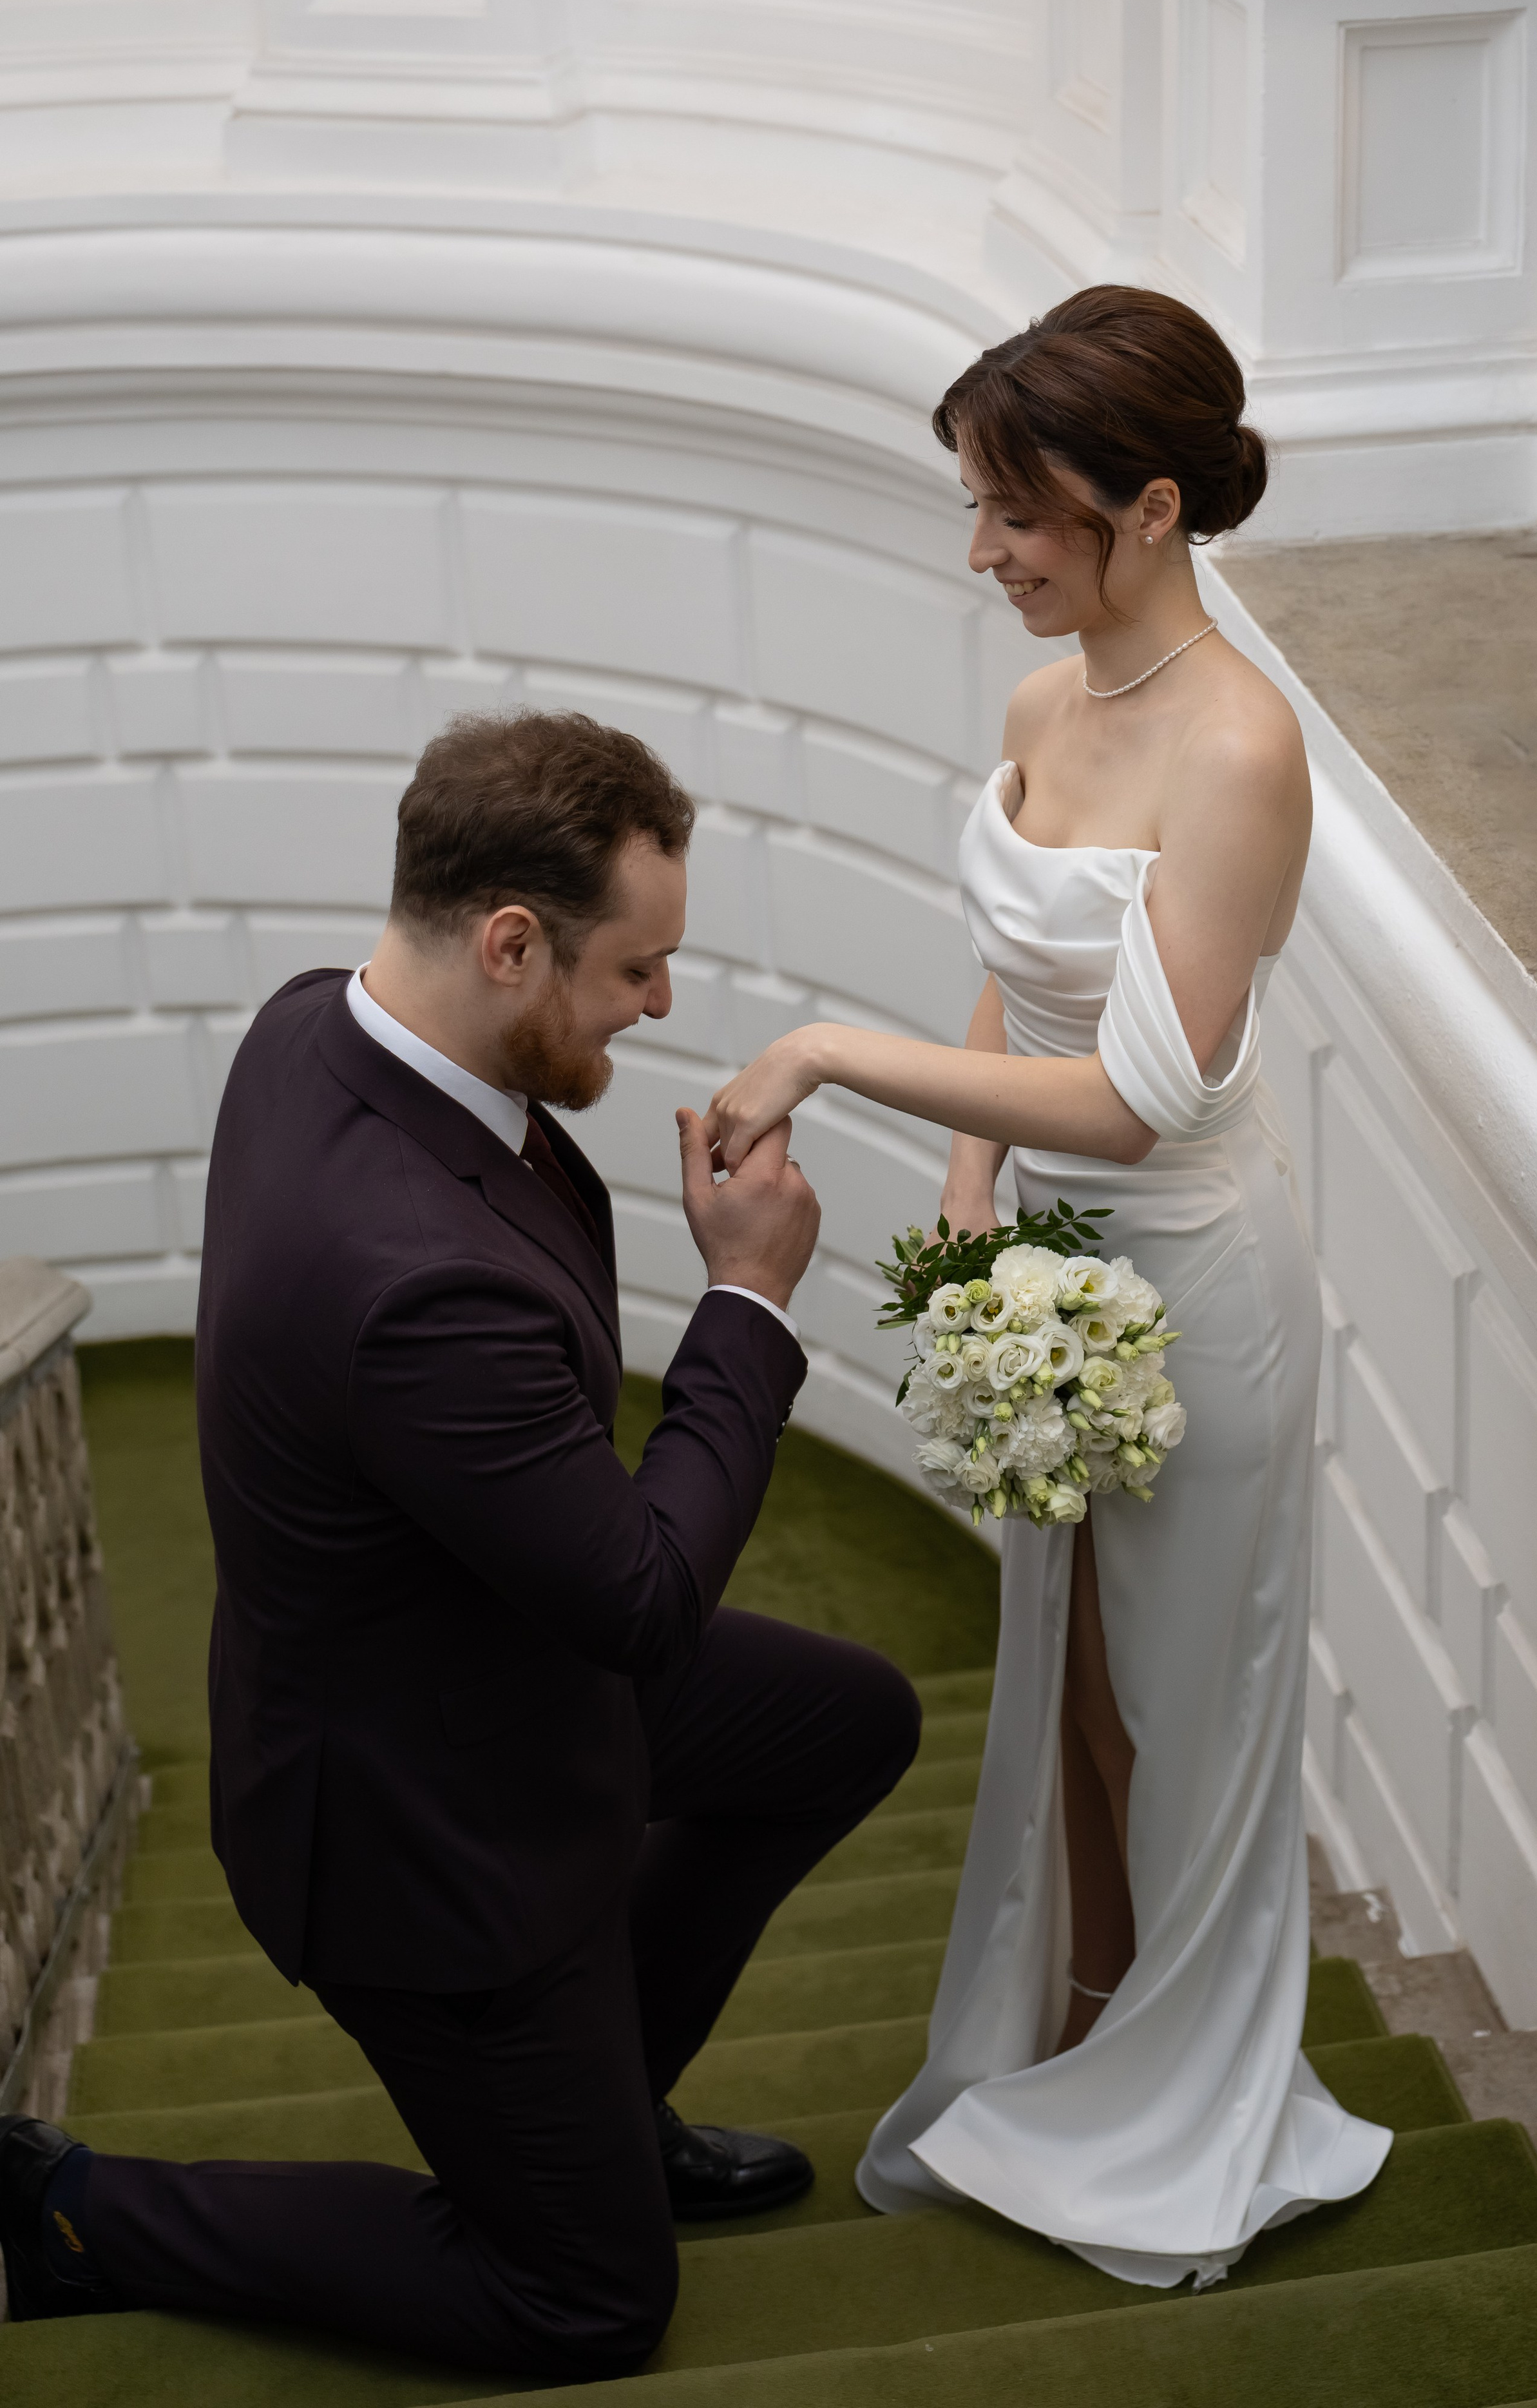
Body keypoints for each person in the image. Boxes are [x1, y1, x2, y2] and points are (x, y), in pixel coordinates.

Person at [0, 709, 921, 2375]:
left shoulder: (316, 1027)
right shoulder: (411, 1281)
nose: (657, 1007)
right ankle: (77, 2211)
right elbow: (642, 1598)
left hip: (499, 1655)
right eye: (636, 971)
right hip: (428, 1827)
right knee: (583, 2299)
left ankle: (600, 2105)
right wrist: (749, 1300)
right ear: (510, 942)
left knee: (844, 1723)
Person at [702, 285, 1392, 2287]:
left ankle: (1184, 2097)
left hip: (1199, 1280)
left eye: (1021, 511)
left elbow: (1150, 1091)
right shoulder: (1043, 708)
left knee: (1193, 1699)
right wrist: (971, 1203)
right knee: (1070, 1689)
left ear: (1153, 508)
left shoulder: (1244, 746)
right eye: (984, 507)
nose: (985, 550)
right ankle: (1083, 2023)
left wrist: (833, 1052)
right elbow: (1029, 960)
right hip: (1047, 1280)